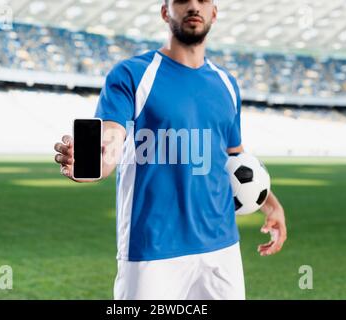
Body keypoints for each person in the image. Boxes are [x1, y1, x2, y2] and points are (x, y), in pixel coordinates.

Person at [54, 0, 287, 300]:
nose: (193, 5)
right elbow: (109, 143)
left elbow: (235, 160)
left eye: (203, 0)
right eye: (181, 0)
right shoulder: (132, 74)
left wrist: (271, 205)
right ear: (166, 12)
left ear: (214, 13)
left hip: (222, 246)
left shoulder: (227, 84)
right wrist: (91, 165)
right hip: (153, 249)